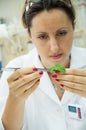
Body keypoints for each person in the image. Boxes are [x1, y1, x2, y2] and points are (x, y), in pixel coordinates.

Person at [0, 0, 86, 130]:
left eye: (61, 33)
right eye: (42, 36)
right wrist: (15, 100)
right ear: (29, 35)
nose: (54, 47)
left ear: (74, 26)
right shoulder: (15, 69)